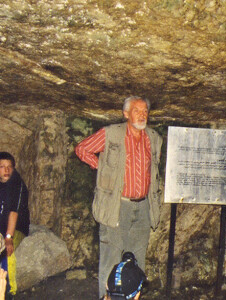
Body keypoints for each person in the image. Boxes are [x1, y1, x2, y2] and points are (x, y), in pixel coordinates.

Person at [75, 96, 163, 298]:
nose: (142, 115)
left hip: (143, 208)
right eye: (137, 111)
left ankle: (132, 295)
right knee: (111, 258)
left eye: (145, 111)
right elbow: (82, 149)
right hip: (116, 205)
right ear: (126, 114)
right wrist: (100, 167)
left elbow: (154, 171)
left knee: (137, 258)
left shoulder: (154, 138)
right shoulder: (111, 134)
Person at [0, 152, 30, 297]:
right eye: (2, 167)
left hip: (16, 228)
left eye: (9, 167)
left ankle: (9, 291)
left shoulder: (17, 185)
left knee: (7, 252)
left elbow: (13, 213)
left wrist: (8, 237)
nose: (6, 171)